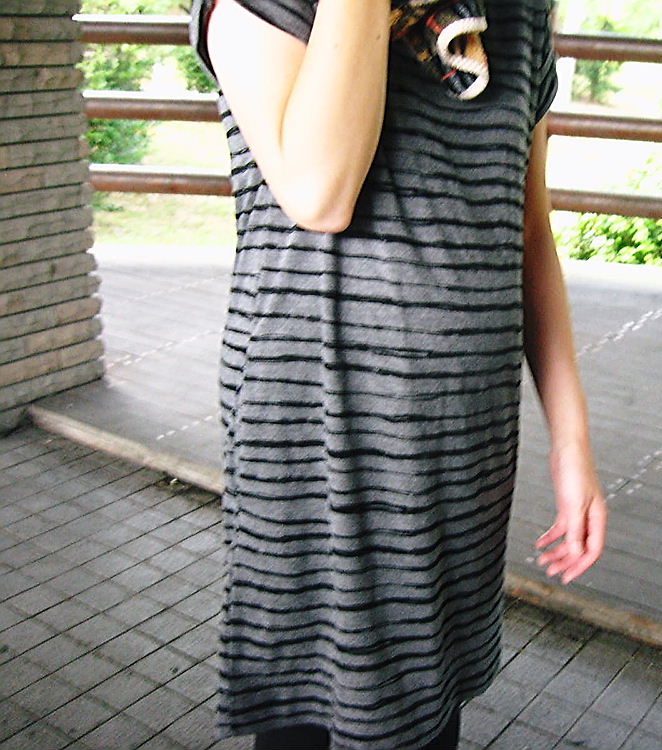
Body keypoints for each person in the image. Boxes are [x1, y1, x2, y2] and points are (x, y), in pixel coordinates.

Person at [189, 1, 607, 747]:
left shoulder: (520, 12)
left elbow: (527, 227)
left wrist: (571, 442)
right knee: (316, 711)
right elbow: (321, 192)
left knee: (428, 703)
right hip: (322, 424)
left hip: (465, 439)